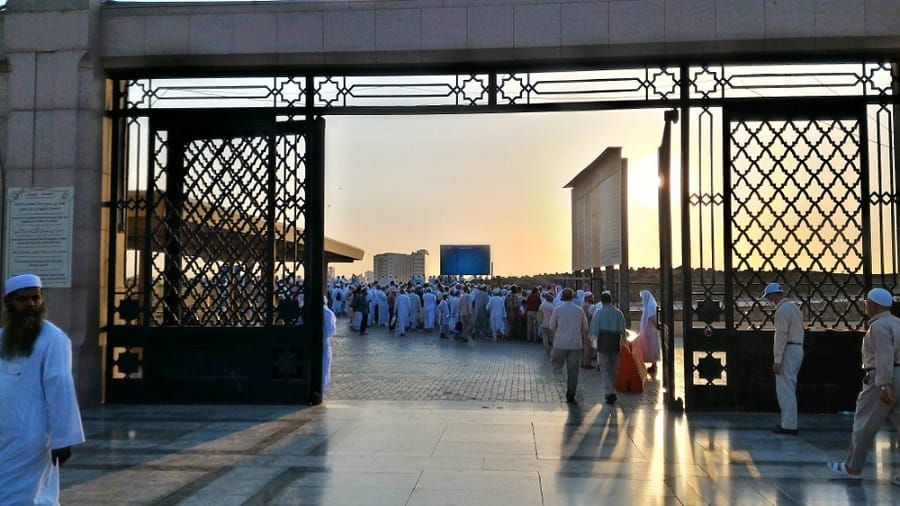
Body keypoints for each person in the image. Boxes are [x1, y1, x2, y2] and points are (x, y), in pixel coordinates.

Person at [0, 274, 85, 505]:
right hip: (4, 435)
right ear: (9, 302)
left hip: (32, 436)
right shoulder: (2, 338)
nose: (30, 304)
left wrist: (63, 439)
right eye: (23, 299)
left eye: (35, 298)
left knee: (27, 497)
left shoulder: (54, 339)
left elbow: (60, 387)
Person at [828, 288, 900, 481]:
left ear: (875, 305)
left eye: (867, 302)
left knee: (864, 423)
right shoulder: (897, 323)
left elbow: (884, 356)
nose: (865, 305)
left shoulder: (878, 326)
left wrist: (884, 385)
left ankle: (853, 467)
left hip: (883, 377)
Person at [763, 282, 805, 435]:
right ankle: (789, 422)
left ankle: (788, 425)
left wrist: (777, 359)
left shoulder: (781, 311)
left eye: (769, 297)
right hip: (798, 348)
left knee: (785, 389)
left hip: (788, 350)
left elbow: (780, 335)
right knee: (790, 386)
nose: (769, 300)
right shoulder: (794, 308)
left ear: (774, 295)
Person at [549, 288, 589, 404]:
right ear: (572, 297)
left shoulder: (557, 309)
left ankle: (560, 384)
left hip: (560, 343)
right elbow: (585, 328)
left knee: (556, 366)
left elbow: (552, 327)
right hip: (575, 344)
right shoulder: (579, 310)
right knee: (573, 371)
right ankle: (571, 394)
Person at [590, 291, 627, 404]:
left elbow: (594, 331)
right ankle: (611, 390)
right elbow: (623, 330)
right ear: (611, 300)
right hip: (615, 343)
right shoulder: (618, 313)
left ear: (602, 301)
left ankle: (609, 392)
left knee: (604, 368)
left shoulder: (598, 313)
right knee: (614, 368)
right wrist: (623, 342)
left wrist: (594, 347)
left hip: (603, 343)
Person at [635, 290, 661, 375]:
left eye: (642, 298)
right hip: (649, 332)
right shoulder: (649, 305)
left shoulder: (650, 306)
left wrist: (658, 327)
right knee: (648, 348)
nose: (642, 300)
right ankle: (652, 365)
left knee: (652, 348)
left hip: (651, 332)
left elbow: (653, 318)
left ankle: (654, 365)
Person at [322, 297, 337, 396]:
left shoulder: (306, 310)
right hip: (324, 342)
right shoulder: (328, 312)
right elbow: (331, 330)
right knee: (324, 366)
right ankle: (322, 387)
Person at [581, 292, 596, 368]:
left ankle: (583, 362)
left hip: (584, 328)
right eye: (591, 297)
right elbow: (589, 317)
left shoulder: (583, 305)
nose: (592, 298)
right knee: (588, 347)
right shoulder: (588, 306)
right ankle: (587, 363)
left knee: (584, 346)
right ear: (587, 298)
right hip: (589, 328)